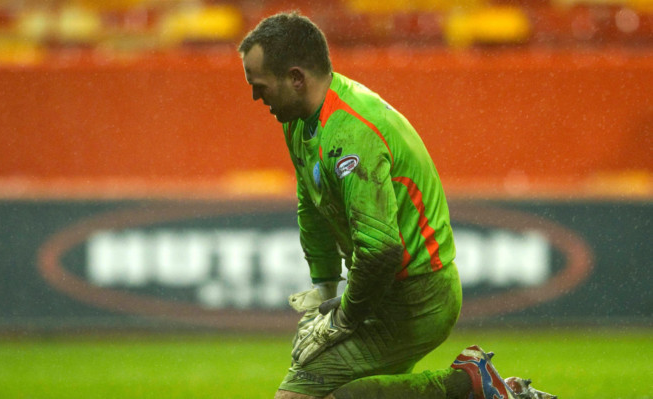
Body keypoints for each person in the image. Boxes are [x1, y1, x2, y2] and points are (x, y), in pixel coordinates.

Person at [238, 11, 556, 399]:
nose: (255, 97)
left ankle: (470, 386)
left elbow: (383, 251)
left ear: (296, 78)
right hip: (383, 289)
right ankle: (481, 388)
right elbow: (312, 205)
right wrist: (324, 290)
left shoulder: (352, 132)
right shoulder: (300, 120)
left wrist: (343, 318)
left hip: (418, 295)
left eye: (260, 86)